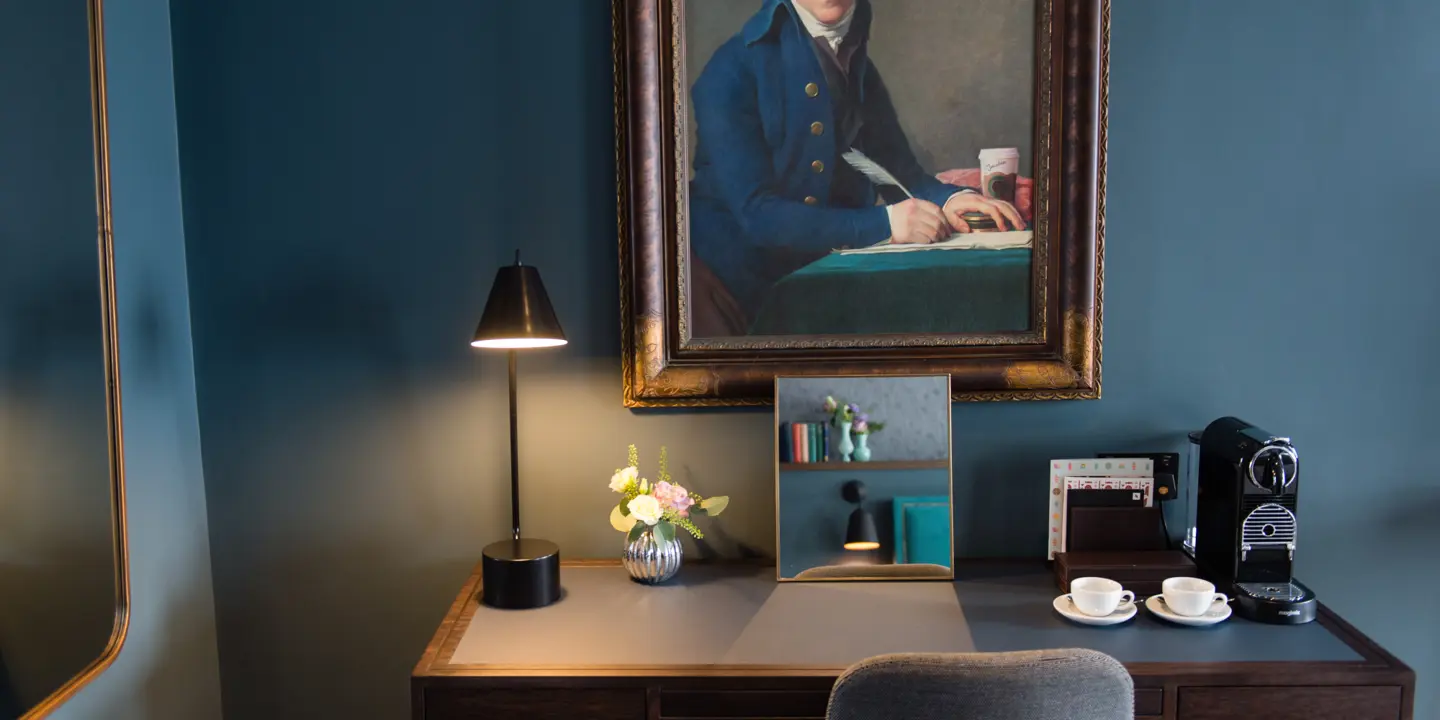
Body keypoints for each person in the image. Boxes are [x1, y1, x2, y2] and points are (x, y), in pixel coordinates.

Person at [689, 0, 1023, 329]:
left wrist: (950, 199)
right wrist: (885, 224)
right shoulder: (730, 70)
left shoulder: (858, 64)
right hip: (730, 290)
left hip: (818, 283)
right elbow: (758, 215)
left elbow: (900, 174)